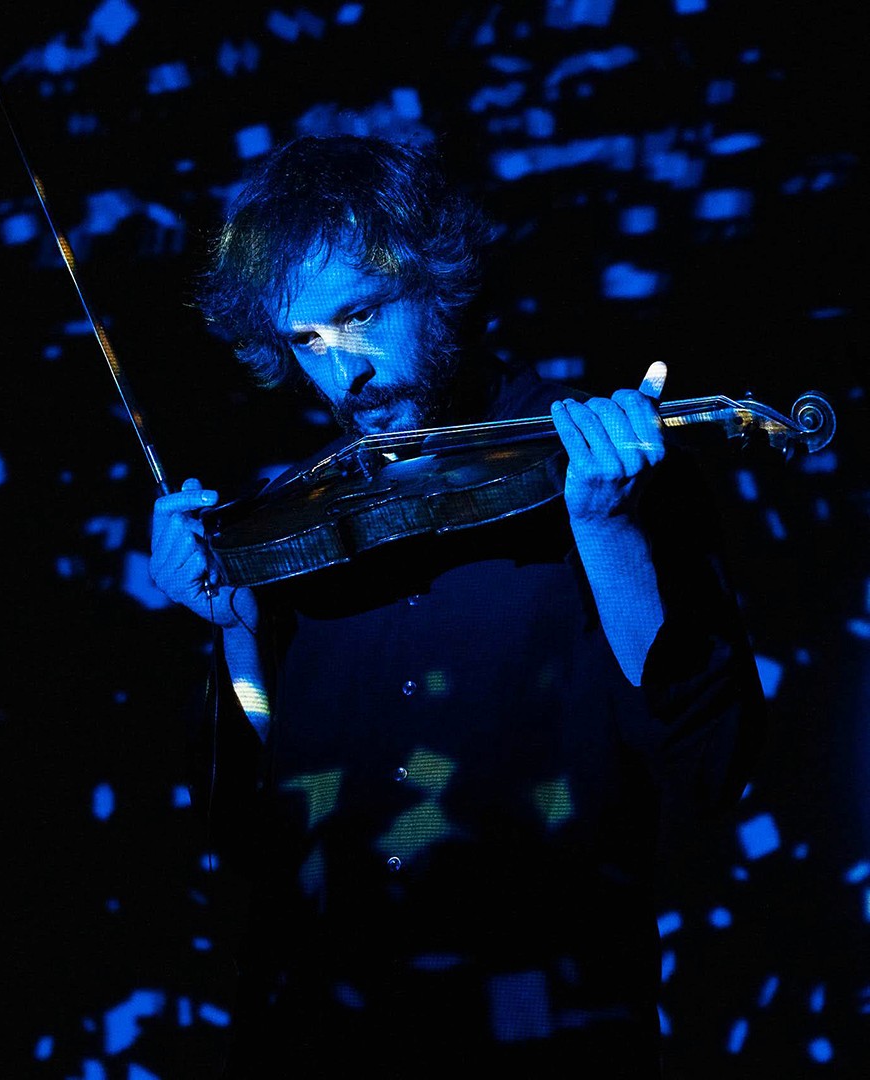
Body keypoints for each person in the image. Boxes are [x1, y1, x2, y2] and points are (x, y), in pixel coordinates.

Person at [150, 135, 765, 1078]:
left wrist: (607, 533)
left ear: (434, 281)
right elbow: (262, 817)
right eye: (305, 340)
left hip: (547, 1024)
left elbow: (713, 762)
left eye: (359, 315)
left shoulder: (597, 460)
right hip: (335, 1033)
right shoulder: (295, 516)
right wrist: (233, 635)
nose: (340, 373)